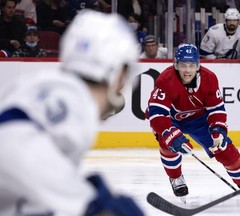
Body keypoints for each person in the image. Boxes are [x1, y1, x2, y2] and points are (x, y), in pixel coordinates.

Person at [0, 9, 143, 216]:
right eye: (125, 71)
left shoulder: (48, 87)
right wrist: (91, 202)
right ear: (114, 69)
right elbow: (11, 143)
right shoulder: (73, 98)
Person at [146, 43, 240, 203]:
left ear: (198, 66)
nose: (187, 70)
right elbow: (157, 113)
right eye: (183, 65)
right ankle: (176, 178)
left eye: (191, 65)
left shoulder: (209, 78)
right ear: (176, 65)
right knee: (167, 144)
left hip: (199, 120)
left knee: (225, 150)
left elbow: (216, 109)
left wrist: (218, 130)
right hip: (171, 119)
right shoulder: (166, 79)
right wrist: (171, 134)